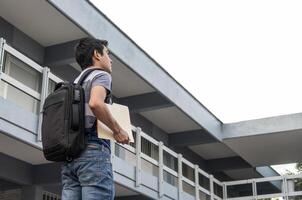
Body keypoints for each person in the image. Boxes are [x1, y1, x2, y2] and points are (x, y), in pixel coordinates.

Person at [61, 37, 130, 200]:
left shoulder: (76, 83)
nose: (111, 59)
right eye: (107, 53)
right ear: (97, 55)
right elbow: (96, 104)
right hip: (93, 150)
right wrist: (118, 130)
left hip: (71, 155)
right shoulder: (101, 75)